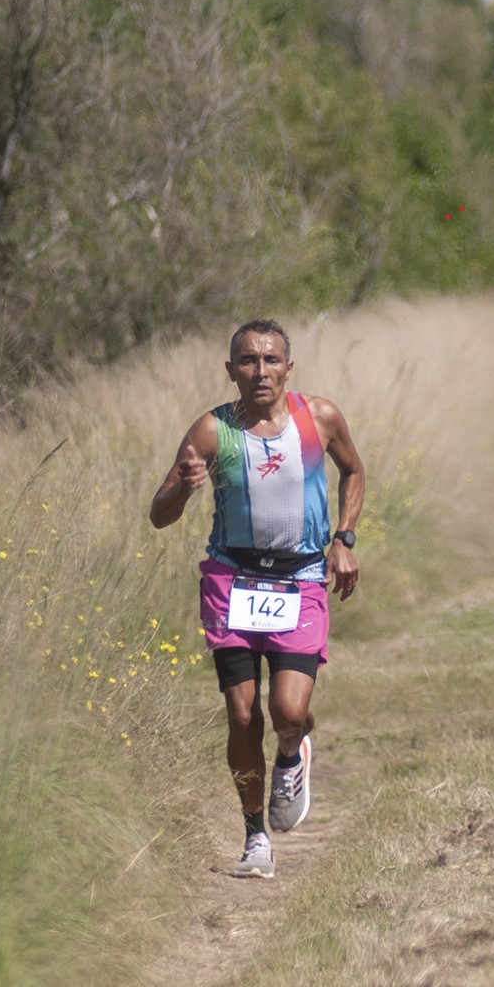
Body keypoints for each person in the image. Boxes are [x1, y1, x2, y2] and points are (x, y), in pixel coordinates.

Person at [150, 319, 365, 880]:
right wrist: (183, 486)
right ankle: (254, 838)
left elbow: (354, 471)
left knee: (287, 711)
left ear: (288, 369)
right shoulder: (212, 430)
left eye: (271, 360)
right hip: (232, 580)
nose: (260, 371)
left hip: (301, 578)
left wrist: (344, 537)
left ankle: (294, 749)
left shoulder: (318, 418)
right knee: (242, 715)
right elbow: (160, 514)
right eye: (248, 361)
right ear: (231, 371)